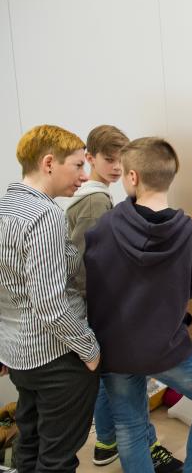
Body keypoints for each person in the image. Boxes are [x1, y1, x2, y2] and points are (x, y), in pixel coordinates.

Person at [84, 137, 192, 473]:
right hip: (167, 348)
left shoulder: (104, 228)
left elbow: (90, 282)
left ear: (132, 177)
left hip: (115, 349)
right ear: (170, 177)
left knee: (131, 426)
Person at [63, 125, 182, 471]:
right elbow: (94, 261)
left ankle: (105, 441)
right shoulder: (95, 200)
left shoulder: (98, 196)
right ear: (89, 158)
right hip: (103, 306)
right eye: (108, 159)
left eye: (120, 160)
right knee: (124, 378)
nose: (116, 167)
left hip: (100, 305)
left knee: (111, 375)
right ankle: (136, 444)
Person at [0, 125, 100, 472]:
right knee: (57, 457)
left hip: (19, 356)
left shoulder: (5, 206)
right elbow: (50, 304)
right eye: (77, 166)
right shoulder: (45, 215)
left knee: (30, 443)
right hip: (56, 356)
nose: (84, 176)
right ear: (48, 164)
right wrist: (89, 348)